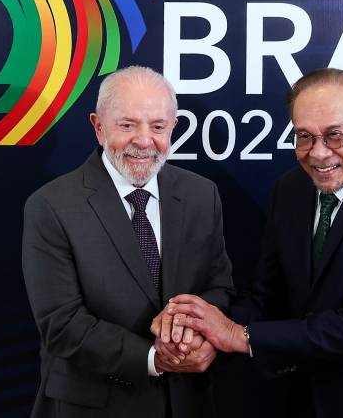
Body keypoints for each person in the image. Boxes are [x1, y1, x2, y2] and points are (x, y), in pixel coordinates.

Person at [155, 68, 343, 417]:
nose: (318, 153)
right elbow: (267, 297)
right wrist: (199, 329)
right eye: (304, 136)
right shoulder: (290, 190)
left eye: (334, 136)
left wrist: (238, 335)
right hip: (306, 397)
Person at [22, 65, 234, 418]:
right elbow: (62, 323)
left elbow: (220, 287)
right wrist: (154, 358)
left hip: (187, 402)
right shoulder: (51, 205)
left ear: (173, 127)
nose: (144, 140)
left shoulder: (201, 194)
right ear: (98, 127)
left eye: (158, 127)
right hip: (94, 407)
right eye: (127, 125)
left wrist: (194, 331)